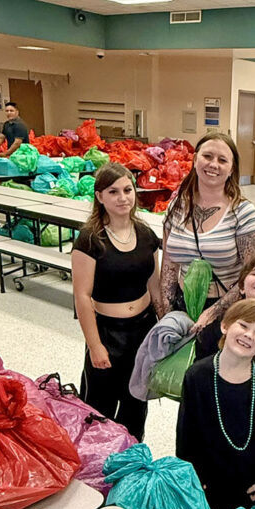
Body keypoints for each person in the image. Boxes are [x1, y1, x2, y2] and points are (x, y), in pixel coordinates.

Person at [176, 299, 255, 509]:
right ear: (225, 326)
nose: (248, 335)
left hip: (249, 488)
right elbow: (186, 434)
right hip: (205, 483)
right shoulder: (197, 376)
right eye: (243, 325)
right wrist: (191, 478)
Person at [71, 163, 161, 440]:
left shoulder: (145, 234)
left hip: (143, 330)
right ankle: (97, 458)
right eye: (113, 192)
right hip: (108, 333)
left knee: (137, 404)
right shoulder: (90, 239)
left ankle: (132, 455)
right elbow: (82, 296)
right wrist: (95, 346)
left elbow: (155, 286)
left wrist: (164, 328)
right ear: (100, 197)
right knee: (100, 406)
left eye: (127, 190)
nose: (123, 198)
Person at [160, 133, 255, 359]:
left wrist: (213, 312)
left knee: (209, 375)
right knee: (180, 373)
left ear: (232, 168)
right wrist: (166, 313)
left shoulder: (243, 213)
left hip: (226, 311)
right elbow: (169, 265)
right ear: (195, 159)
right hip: (182, 306)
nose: (213, 164)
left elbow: (253, 276)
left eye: (222, 160)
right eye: (207, 156)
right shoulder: (176, 206)